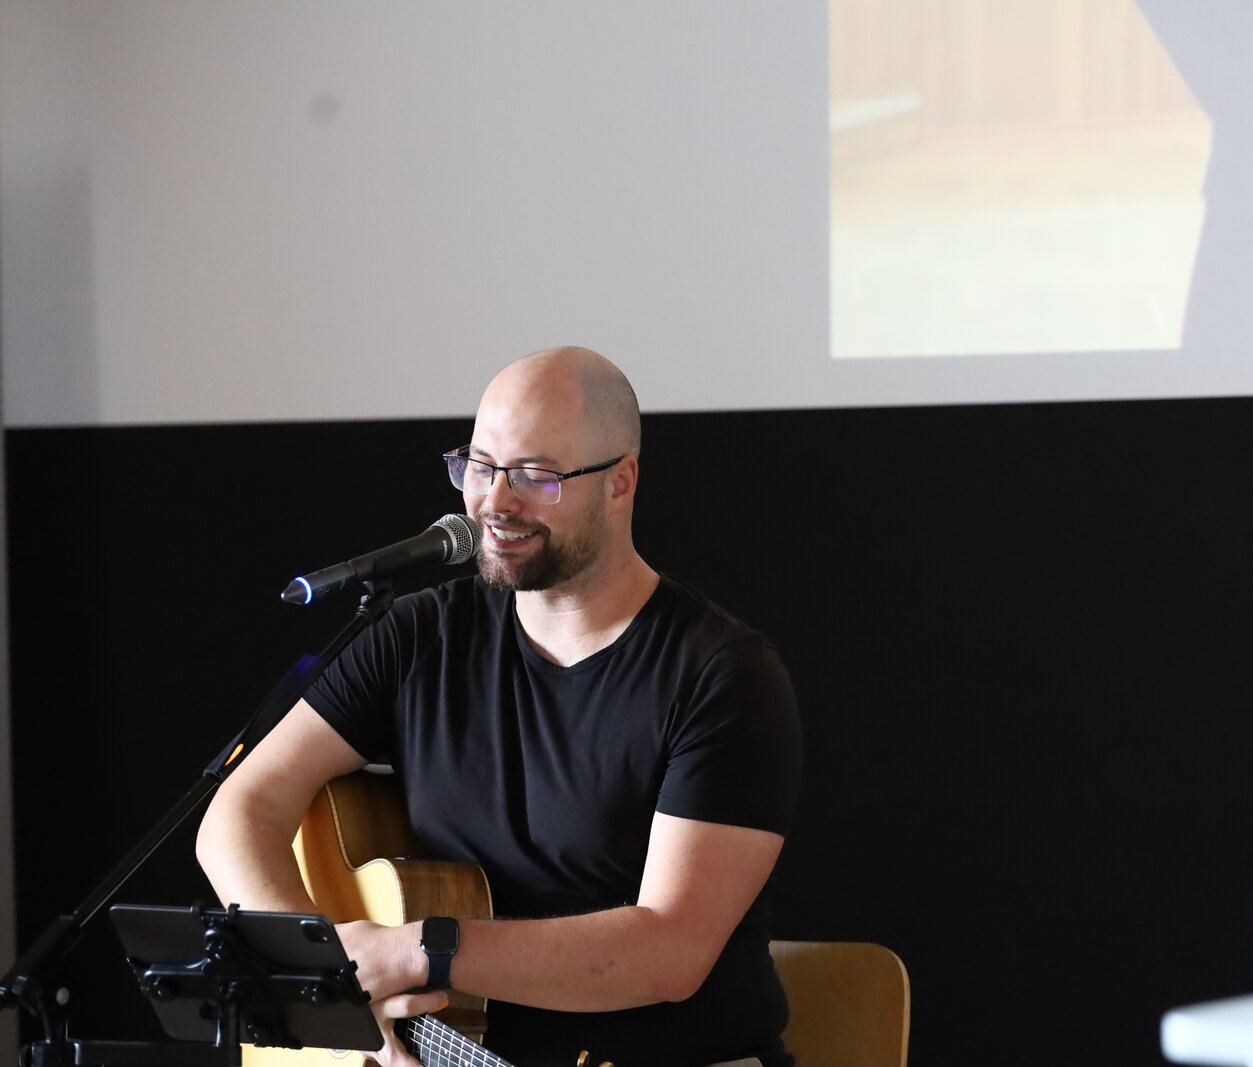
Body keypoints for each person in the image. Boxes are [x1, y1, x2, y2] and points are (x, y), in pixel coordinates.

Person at [196, 347, 803, 1067]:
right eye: (480, 466)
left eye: (536, 475)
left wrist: (419, 950)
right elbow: (243, 807)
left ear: (621, 482)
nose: (494, 502)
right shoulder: (420, 635)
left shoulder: (722, 676)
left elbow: (669, 952)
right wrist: (326, 973)